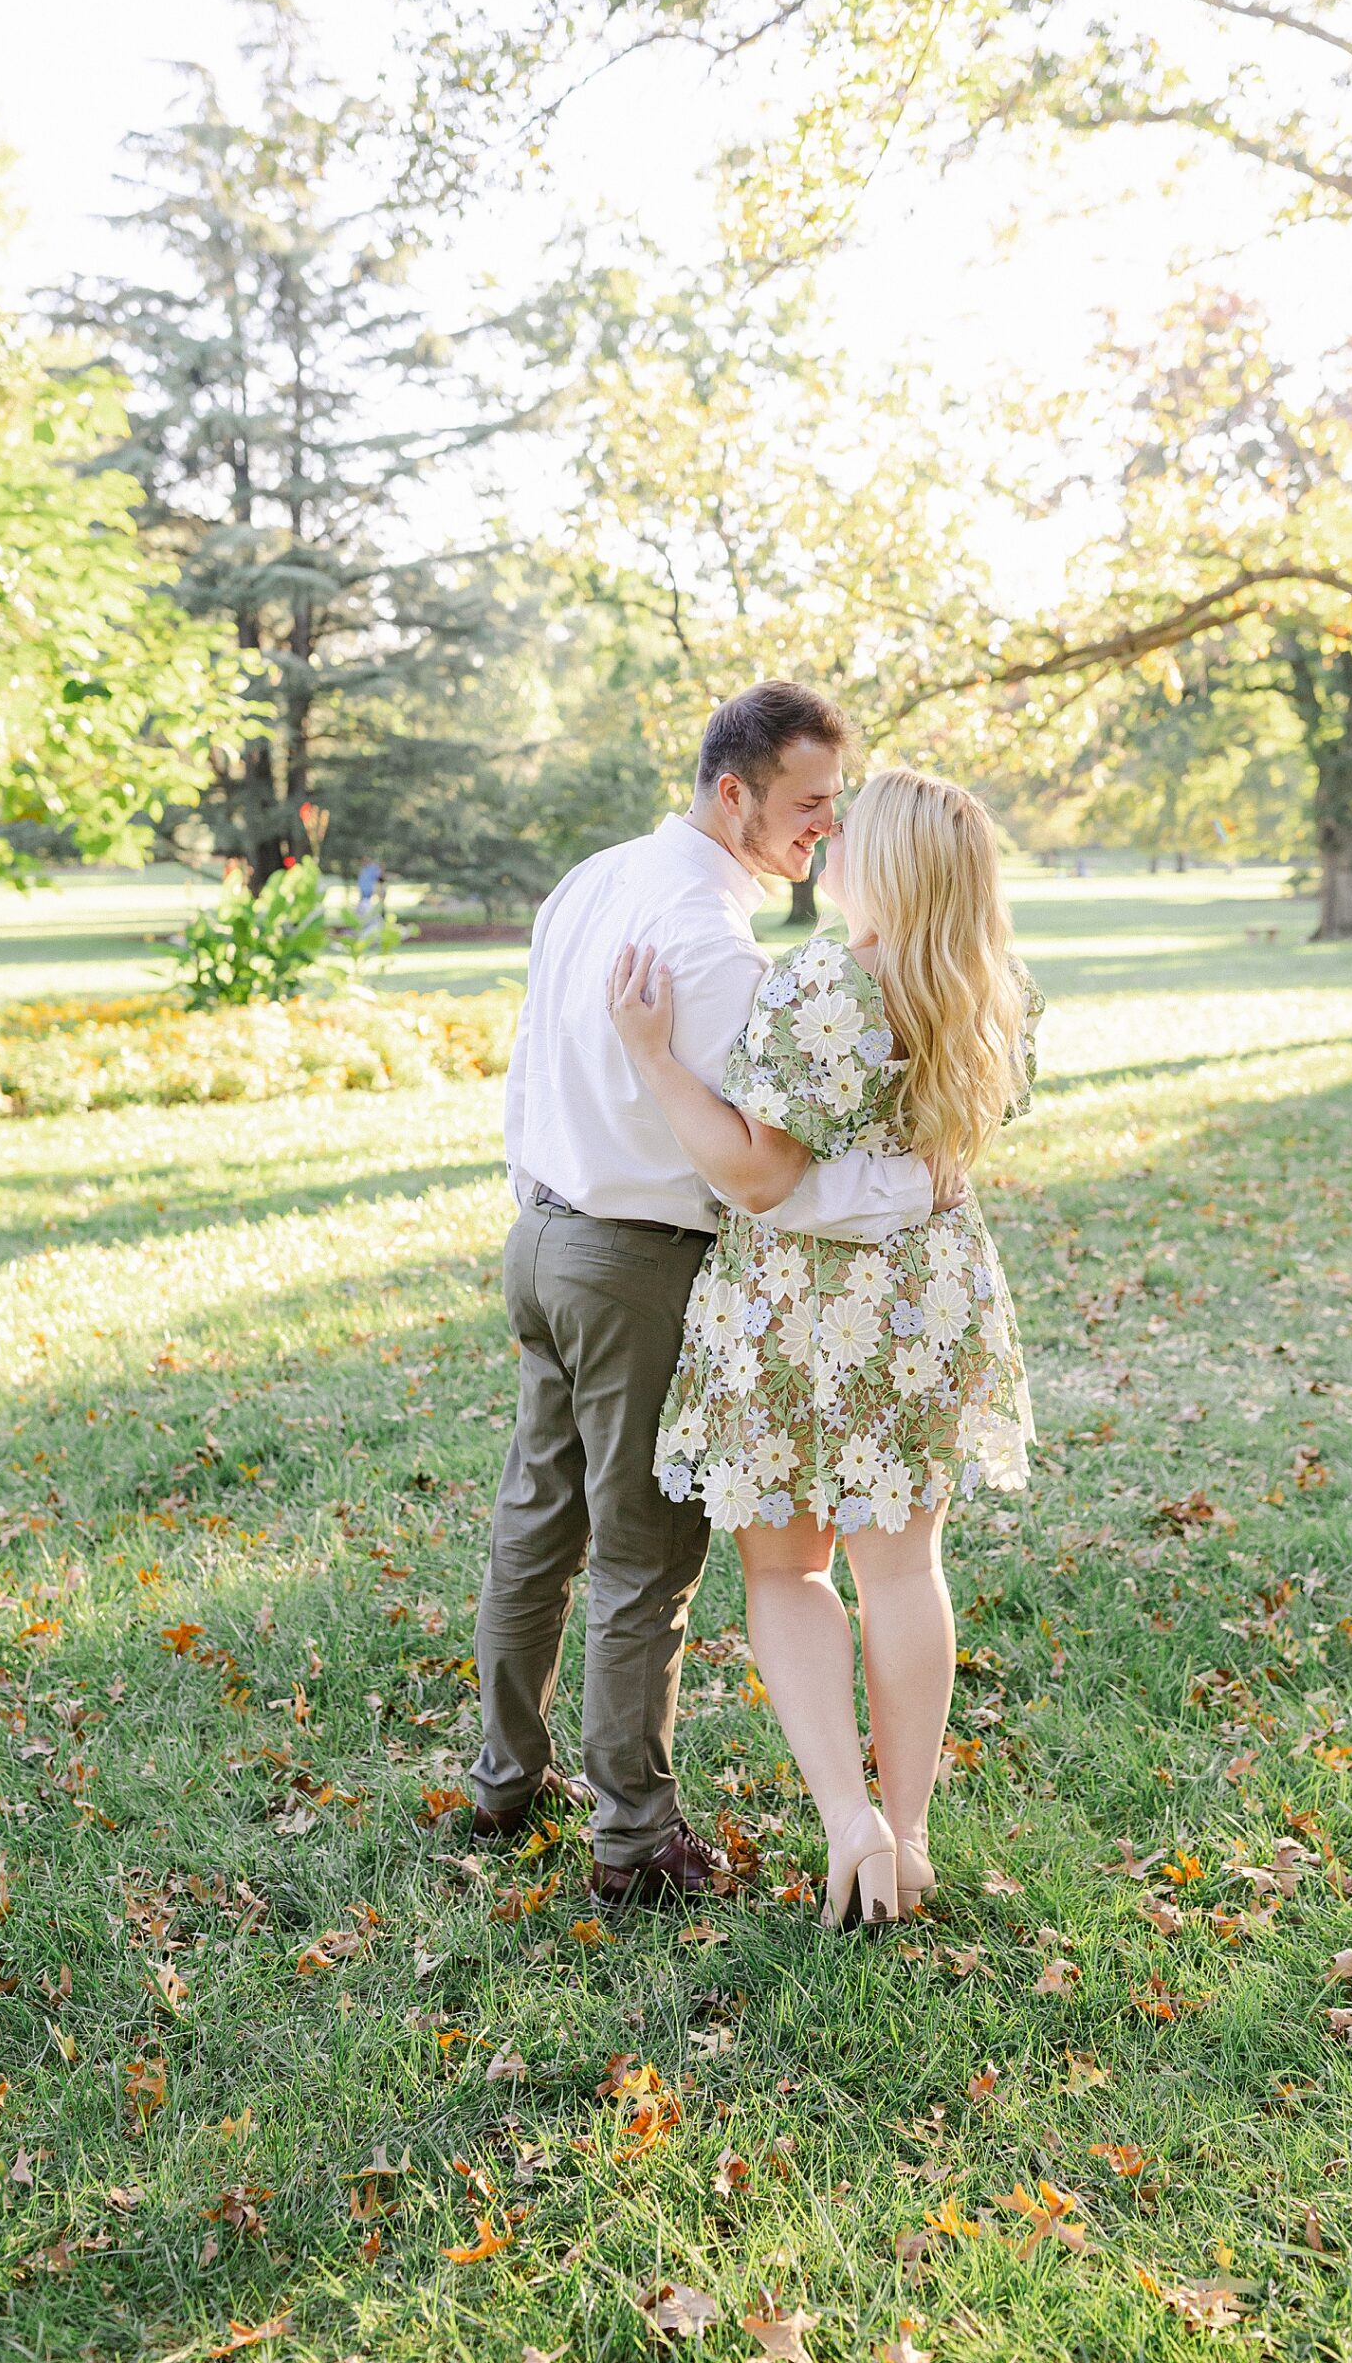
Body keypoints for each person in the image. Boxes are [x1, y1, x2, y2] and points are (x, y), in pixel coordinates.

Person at [470, 684, 940, 1907]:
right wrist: (905, 1190)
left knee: (536, 1522)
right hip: (631, 1262)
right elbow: (766, 1174)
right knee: (644, 1558)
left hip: (542, 1234)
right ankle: (634, 1840)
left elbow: (528, 1060)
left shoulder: (595, 878)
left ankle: (501, 1780)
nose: (827, 830)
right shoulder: (715, 948)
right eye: (808, 804)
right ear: (733, 792)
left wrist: (533, 1194)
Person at [609, 765, 1039, 1929]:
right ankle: (907, 1833)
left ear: (891, 865)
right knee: (905, 1566)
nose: (829, 839)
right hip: (930, 1300)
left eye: (851, 830)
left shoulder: (820, 989)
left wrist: (653, 1055)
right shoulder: (994, 989)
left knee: (790, 1569)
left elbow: (755, 1168)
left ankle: (848, 1817)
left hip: (800, 1307)